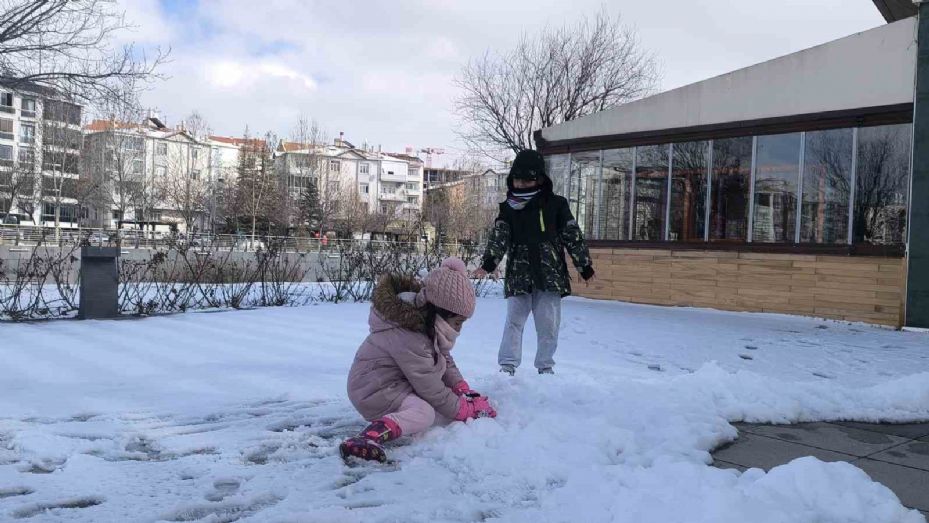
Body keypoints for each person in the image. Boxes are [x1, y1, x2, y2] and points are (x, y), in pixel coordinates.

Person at [340, 258, 497, 463]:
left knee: (435, 406)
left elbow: (444, 359)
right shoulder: (409, 336)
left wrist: (462, 388)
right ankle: (367, 438)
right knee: (424, 413)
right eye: (457, 323)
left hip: (394, 382)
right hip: (373, 388)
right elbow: (430, 388)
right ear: (438, 312)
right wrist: (465, 410)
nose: (458, 330)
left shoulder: (424, 326)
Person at [474, 149, 595, 376]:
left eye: (527, 179)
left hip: (549, 276)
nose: (521, 184)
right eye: (517, 179)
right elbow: (499, 237)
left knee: (548, 325)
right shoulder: (508, 208)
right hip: (519, 277)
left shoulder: (556, 205)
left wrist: (584, 265)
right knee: (513, 323)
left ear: (539, 179)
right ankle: (507, 367)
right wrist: (489, 263)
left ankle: (545, 367)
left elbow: (572, 234)